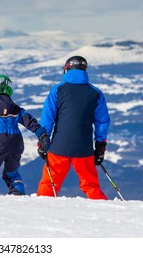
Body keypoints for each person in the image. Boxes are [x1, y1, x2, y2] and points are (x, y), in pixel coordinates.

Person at [36, 56, 110, 200]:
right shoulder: (95, 93)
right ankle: (105, 213)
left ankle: (41, 212)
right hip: (84, 148)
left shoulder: (57, 90)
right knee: (91, 186)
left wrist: (43, 141)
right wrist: (100, 146)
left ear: (66, 69)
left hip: (59, 147)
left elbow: (47, 119)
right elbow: (102, 122)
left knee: (49, 184)